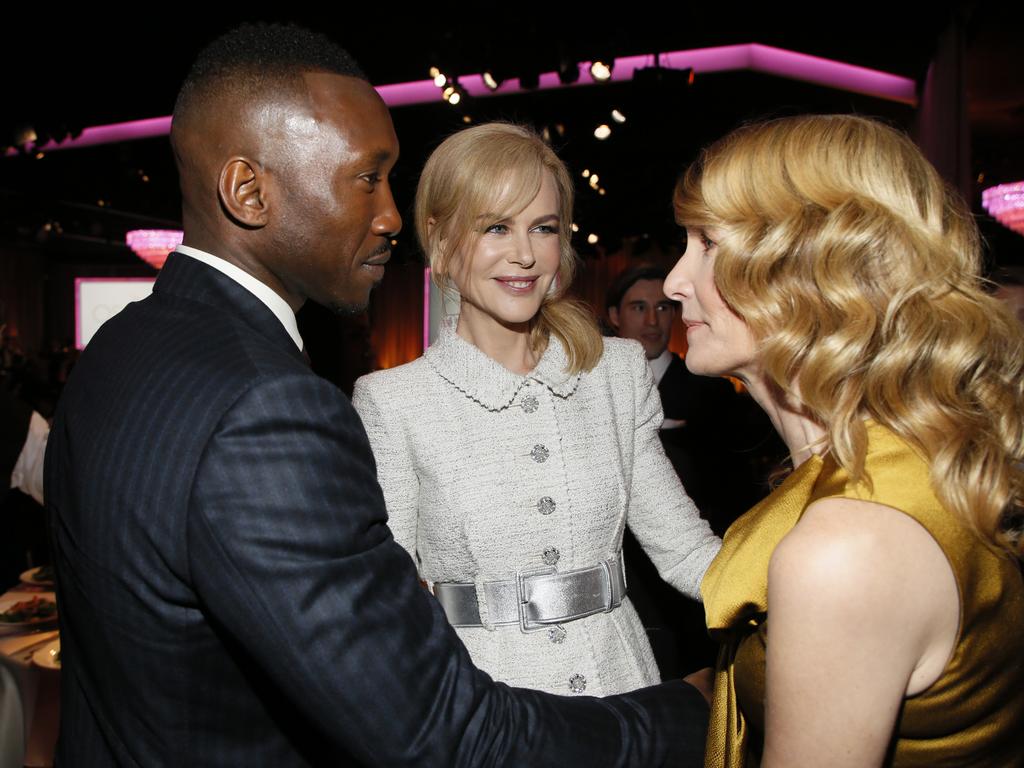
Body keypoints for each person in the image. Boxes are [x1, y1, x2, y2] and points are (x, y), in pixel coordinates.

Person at [44, 24, 711, 767]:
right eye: (368, 178)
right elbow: (425, 720)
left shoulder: (118, 352)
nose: (387, 216)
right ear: (247, 189)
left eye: (544, 227)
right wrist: (690, 718)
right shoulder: (280, 407)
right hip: (508, 722)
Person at [665, 114, 1024, 767]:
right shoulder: (906, 461)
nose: (673, 282)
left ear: (810, 264)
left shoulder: (847, 549)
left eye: (708, 243)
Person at [353, 123, 720, 698]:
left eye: (543, 228)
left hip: (619, 690)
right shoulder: (393, 402)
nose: (524, 254)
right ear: (441, 241)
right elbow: (388, 600)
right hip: (479, 704)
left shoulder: (615, 374)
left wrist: (808, 593)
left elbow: (686, 550)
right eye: (496, 227)